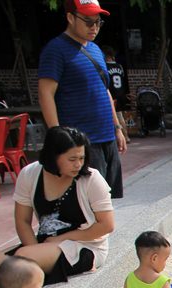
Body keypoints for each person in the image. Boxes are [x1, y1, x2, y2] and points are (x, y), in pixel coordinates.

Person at [0, 127, 114, 288]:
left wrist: (62, 238)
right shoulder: (29, 174)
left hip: (84, 245)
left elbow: (107, 225)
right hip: (45, 244)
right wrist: (34, 249)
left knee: (22, 261)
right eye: (72, 159)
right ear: (53, 157)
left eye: (82, 158)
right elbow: (22, 221)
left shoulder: (91, 178)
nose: (78, 164)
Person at [38, 0, 126, 199]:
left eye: (97, 22)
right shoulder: (55, 50)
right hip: (81, 142)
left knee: (106, 200)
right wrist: (57, 137)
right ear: (70, 17)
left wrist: (117, 127)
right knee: (87, 202)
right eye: (88, 22)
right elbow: (45, 94)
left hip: (106, 137)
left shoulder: (95, 49)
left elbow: (104, 90)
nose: (94, 27)